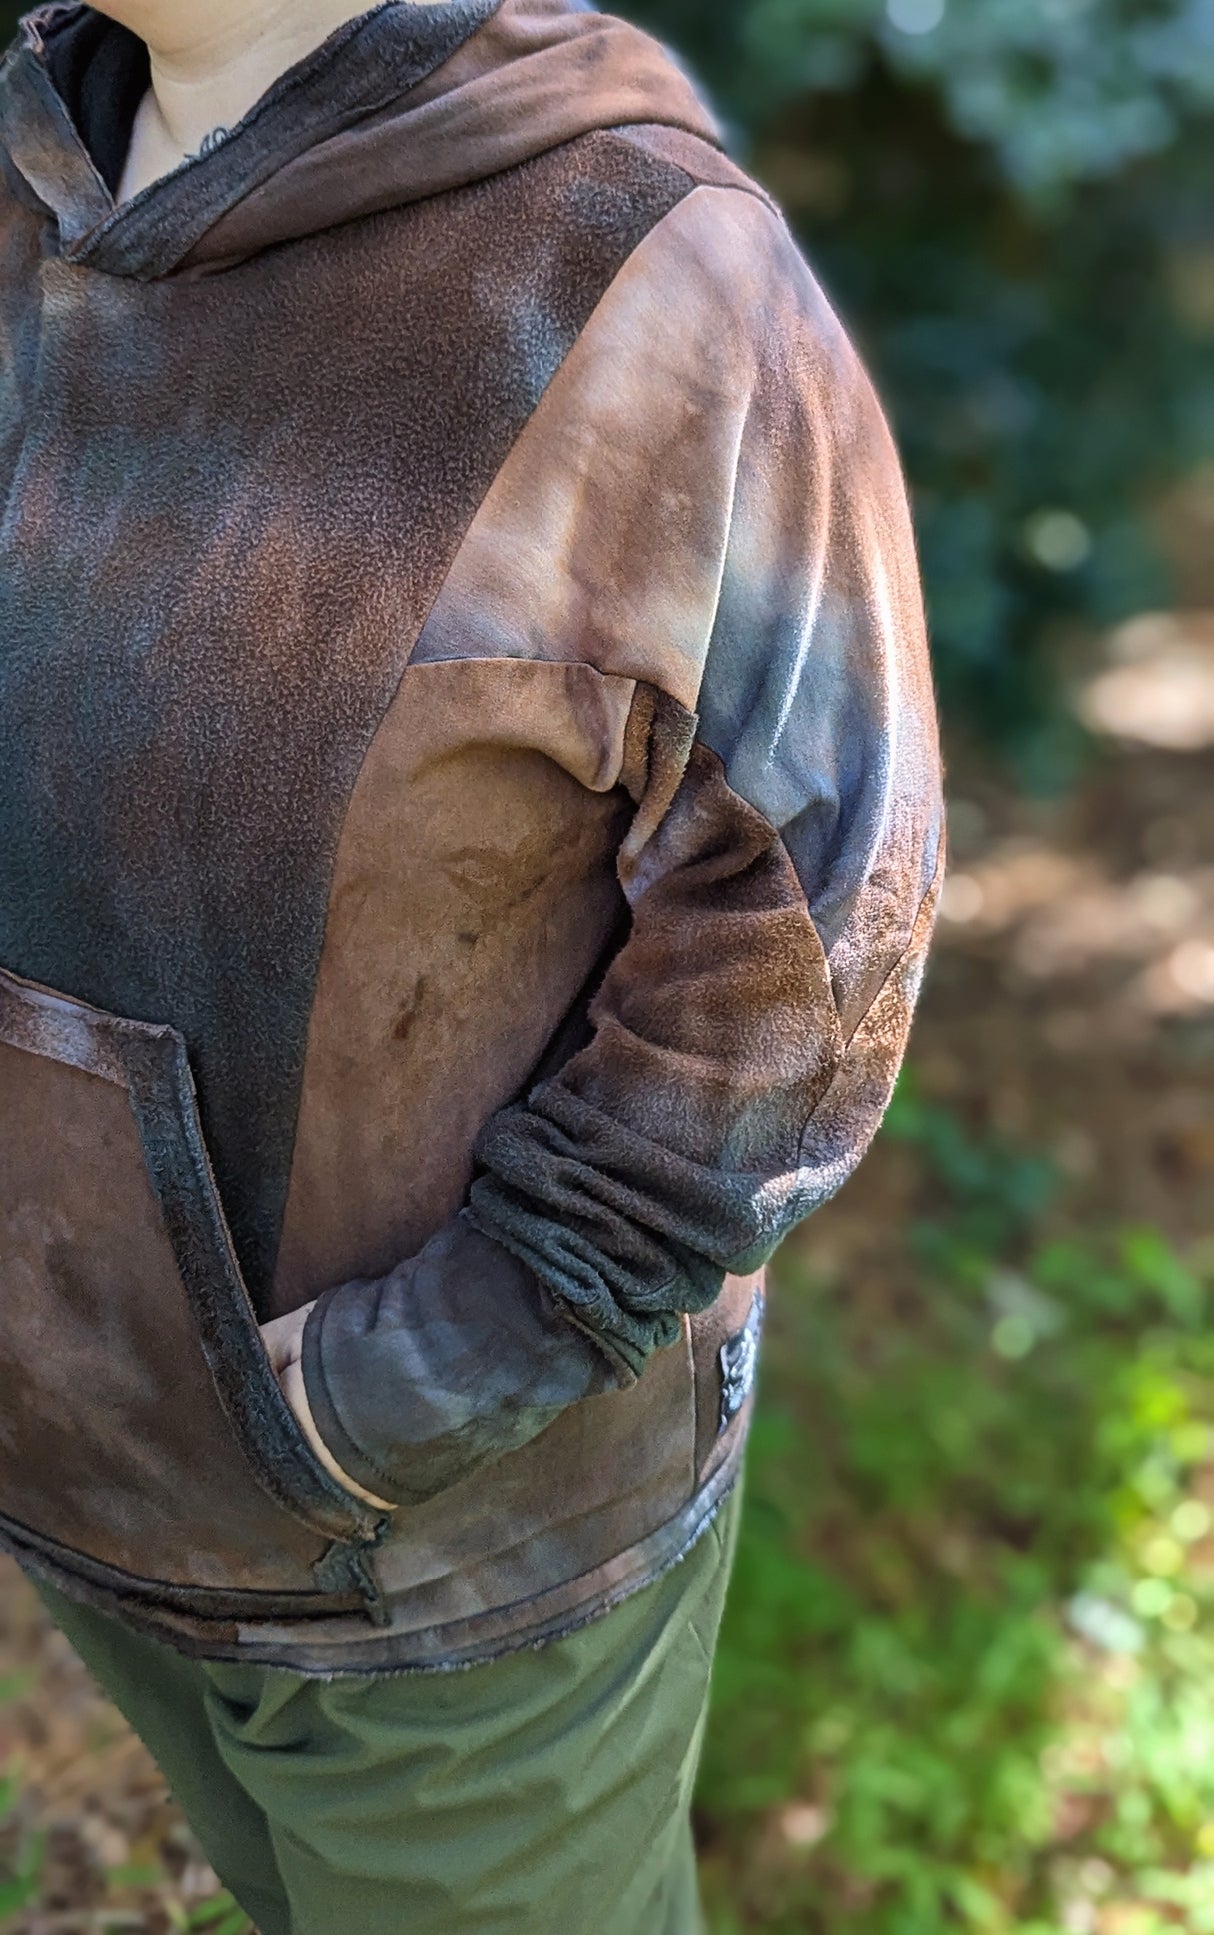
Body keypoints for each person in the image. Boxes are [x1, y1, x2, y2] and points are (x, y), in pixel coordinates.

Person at [0, 0, 944, 1929]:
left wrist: (387, 1403)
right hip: (86, 1477)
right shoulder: (31, 181)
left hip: (447, 1579)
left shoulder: (646, 271)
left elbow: (809, 946)